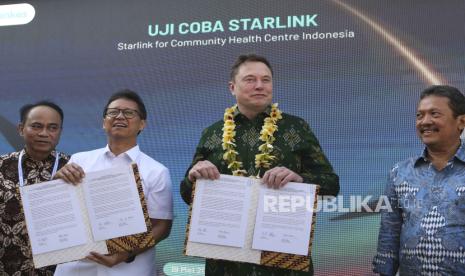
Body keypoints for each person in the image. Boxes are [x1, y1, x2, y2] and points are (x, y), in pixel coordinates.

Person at [180, 54, 339, 275]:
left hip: (283, 261)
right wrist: (192, 178)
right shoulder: (213, 133)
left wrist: (300, 179)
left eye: (266, 80)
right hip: (226, 263)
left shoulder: (296, 127)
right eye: (250, 79)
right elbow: (188, 195)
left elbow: (331, 186)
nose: (259, 86)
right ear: (232, 87)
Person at [54, 89, 173, 276]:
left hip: (129, 268)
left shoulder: (156, 171)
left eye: (128, 113)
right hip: (77, 265)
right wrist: (56, 185)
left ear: (142, 124)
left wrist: (124, 253)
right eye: (113, 112)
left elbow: (162, 226)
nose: (119, 116)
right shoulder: (79, 160)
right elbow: (60, 210)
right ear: (104, 122)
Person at [373, 85, 465, 275]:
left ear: (461, 122)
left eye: (435, 114)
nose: (425, 121)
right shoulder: (400, 172)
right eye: (419, 115)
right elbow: (389, 234)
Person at [0, 101, 69, 275]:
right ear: (21, 129)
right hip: (8, 267)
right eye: (36, 126)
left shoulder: (75, 167)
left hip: (60, 269)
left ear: (60, 132)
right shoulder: (1, 166)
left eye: (52, 128)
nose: (44, 133)